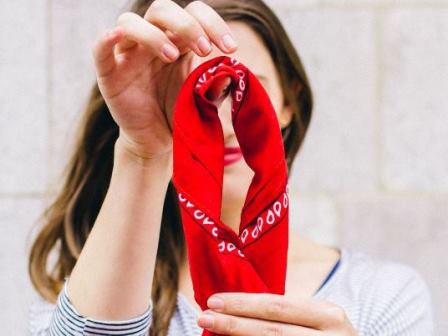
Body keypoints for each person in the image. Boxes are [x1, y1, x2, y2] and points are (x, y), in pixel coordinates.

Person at [27, 0, 435, 335]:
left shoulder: (382, 296)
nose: (222, 127)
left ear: (289, 102)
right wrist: (144, 149)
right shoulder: (91, 282)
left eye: (244, 92)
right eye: (198, 99)